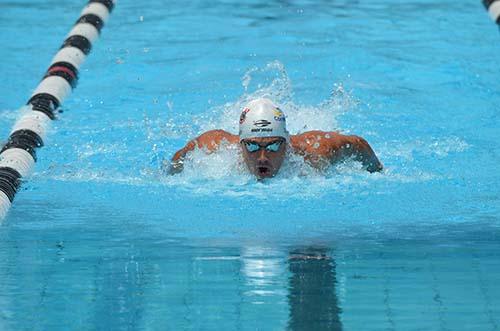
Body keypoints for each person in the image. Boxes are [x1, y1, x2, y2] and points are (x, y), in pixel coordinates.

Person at [168, 98, 383, 178]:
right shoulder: (216, 146)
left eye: (272, 146)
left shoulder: (316, 151)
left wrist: (378, 173)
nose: (262, 157)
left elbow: (358, 144)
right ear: (240, 144)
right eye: (252, 146)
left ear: (287, 143)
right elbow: (178, 159)